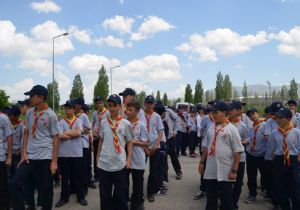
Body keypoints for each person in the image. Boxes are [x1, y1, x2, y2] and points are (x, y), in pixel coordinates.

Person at [10, 85, 60, 210]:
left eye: (32, 96)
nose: (29, 98)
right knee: (14, 184)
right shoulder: (29, 113)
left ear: (41, 97)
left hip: (45, 157)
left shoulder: (51, 115)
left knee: (46, 190)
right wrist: (23, 154)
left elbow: (56, 138)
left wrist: (54, 161)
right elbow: (26, 132)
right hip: (30, 157)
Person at [199, 100, 244, 210]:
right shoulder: (210, 128)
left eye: (216, 112)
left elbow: (237, 151)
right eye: (212, 112)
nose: (213, 114)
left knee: (227, 201)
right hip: (211, 170)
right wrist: (202, 162)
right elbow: (206, 147)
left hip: (226, 171)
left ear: (224, 113)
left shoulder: (231, 129)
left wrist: (234, 170)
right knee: (211, 200)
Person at [96, 94, 133, 210]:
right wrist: (97, 157)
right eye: (110, 105)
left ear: (120, 107)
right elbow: (101, 140)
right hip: (104, 165)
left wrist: (128, 160)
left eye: (114, 105)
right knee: (105, 196)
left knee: (121, 196)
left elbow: (130, 142)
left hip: (119, 165)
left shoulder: (125, 123)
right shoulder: (103, 122)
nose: (111, 108)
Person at [55, 100, 87, 207]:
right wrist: (72, 134)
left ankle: (81, 196)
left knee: (78, 176)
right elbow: (59, 136)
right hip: (64, 154)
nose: (67, 110)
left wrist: (66, 133)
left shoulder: (78, 121)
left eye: (69, 108)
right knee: (64, 178)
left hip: (77, 154)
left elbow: (79, 132)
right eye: (66, 108)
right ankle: (64, 198)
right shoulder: (60, 123)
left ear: (74, 109)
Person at [271, 107, 300, 210]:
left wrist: (297, 162)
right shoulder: (274, 133)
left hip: (293, 160)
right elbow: (273, 149)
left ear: (288, 119)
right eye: (277, 117)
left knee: (295, 188)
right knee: (281, 188)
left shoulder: (296, 132)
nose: (277, 120)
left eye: (280, 117)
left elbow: (299, 149)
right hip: (279, 160)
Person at [126, 101, 149, 210]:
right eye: (127, 109)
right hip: (126, 159)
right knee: (124, 182)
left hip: (138, 159)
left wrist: (133, 142)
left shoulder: (141, 125)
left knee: (138, 183)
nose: (128, 112)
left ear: (137, 111)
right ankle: (125, 200)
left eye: (130, 110)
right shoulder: (124, 123)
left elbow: (146, 142)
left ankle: (138, 203)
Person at [228, 101, 249, 210]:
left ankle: (234, 203)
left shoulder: (242, 126)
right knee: (226, 183)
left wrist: (239, 142)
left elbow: (247, 140)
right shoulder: (224, 124)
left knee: (237, 183)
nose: (230, 111)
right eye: (229, 110)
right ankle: (226, 202)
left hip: (239, 159)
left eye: (232, 109)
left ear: (238, 111)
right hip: (227, 159)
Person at [263, 101, 284, 208]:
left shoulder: (290, 119)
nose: (276, 115)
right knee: (275, 179)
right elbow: (267, 136)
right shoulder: (269, 122)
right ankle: (276, 202)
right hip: (273, 155)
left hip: (288, 155)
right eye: (274, 113)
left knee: (287, 180)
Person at [144, 95, 164, 202]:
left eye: (151, 103)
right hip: (142, 147)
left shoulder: (156, 116)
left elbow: (160, 132)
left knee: (153, 171)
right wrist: (144, 148)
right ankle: (137, 192)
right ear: (145, 103)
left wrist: (156, 146)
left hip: (155, 147)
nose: (149, 105)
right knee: (139, 171)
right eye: (147, 102)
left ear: (154, 104)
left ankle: (150, 192)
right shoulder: (141, 115)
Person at [245, 108, 267, 204]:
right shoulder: (250, 127)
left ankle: (265, 191)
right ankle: (252, 194)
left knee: (265, 175)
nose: (252, 116)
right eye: (250, 116)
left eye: (254, 114)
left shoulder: (265, 126)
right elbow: (250, 140)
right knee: (251, 176)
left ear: (258, 114)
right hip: (251, 155)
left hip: (262, 155)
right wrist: (246, 142)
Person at [74, 97, 96, 191]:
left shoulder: (83, 116)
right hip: (74, 145)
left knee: (85, 166)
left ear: (80, 105)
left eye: (76, 104)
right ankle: (77, 185)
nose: (74, 105)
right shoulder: (72, 115)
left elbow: (88, 131)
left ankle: (87, 183)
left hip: (83, 144)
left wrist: (80, 129)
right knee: (77, 168)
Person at [160, 102, 182, 180]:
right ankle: (164, 176)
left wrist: (175, 131)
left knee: (173, 155)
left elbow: (177, 120)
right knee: (163, 158)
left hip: (170, 137)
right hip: (162, 139)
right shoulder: (156, 114)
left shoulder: (169, 112)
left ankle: (178, 171)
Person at [91, 96, 109, 183]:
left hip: (104, 138)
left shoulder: (108, 113)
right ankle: (96, 175)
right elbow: (93, 124)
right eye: (97, 103)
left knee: (104, 155)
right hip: (96, 137)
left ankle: (104, 174)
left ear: (103, 103)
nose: (99, 104)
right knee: (96, 156)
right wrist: (93, 133)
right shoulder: (95, 113)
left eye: (100, 103)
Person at [0, 108, 13, 210]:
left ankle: (5, 206)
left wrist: (9, 157)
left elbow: (9, 136)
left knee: (2, 186)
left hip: (1, 157)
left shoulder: (3, 118)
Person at [5, 106, 24, 179]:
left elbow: (24, 141)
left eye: (10, 115)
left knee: (17, 174)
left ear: (17, 116)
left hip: (17, 154)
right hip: (7, 153)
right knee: (8, 175)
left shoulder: (22, 125)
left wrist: (19, 151)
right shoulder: (7, 124)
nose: (9, 116)